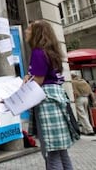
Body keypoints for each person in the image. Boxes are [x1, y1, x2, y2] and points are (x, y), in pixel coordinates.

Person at [24, 20, 77, 170]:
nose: (26, 32)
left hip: (47, 104)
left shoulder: (37, 52)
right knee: (61, 151)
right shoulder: (52, 52)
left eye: (29, 29)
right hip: (57, 100)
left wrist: (25, 84)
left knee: (51, 153)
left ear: (37, 33)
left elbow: (38, 81)